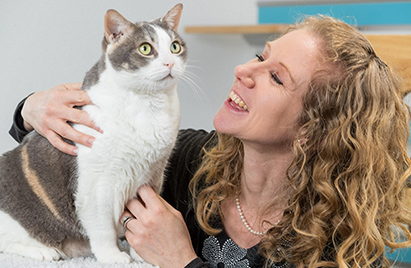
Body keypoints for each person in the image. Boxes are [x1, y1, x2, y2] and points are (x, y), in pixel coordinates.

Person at [8, 15, 411, 268]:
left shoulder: (339, 246)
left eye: (276, 77)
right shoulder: (188, 159)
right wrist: (29, 111)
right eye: (260, 57)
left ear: (311, 129)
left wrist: (182, 261)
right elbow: (77, 164)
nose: (242, 70)